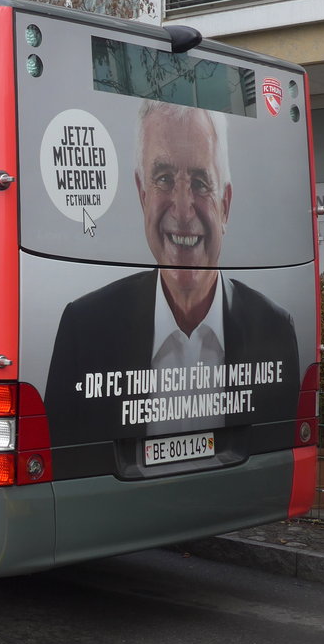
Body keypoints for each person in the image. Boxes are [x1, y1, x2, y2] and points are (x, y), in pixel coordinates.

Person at [45, 100, 300, 443]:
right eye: (164, 179)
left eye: (200, 182)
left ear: (225, 205)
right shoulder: (84, 328)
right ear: (142, 195)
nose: (182, 210)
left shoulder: (275, 329)